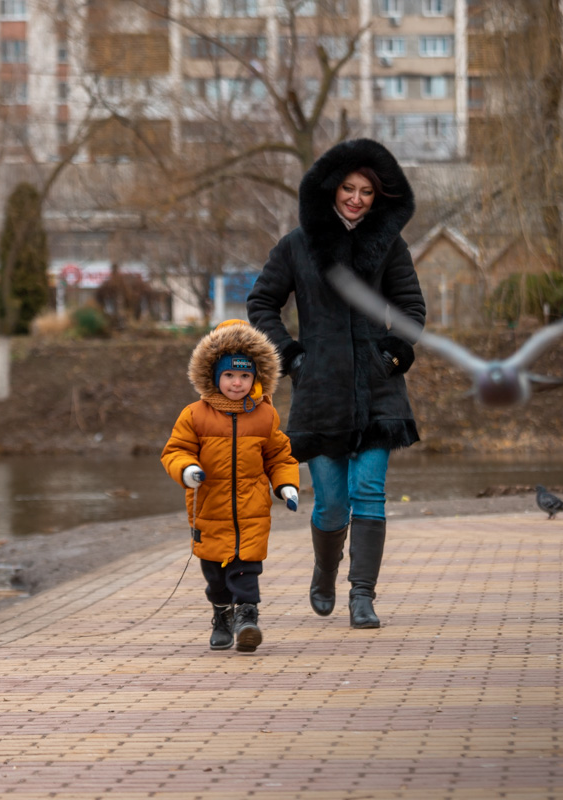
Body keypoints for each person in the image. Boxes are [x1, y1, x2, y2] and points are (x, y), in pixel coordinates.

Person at [247, 138, 426, 629]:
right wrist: (292, 357)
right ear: (331, 189)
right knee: (331, 504)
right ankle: (325, 571)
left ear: (377, 197)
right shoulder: (297, 244)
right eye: (349, 188)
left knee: (369, 491)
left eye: (366, 192)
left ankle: (362, 595)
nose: (356, 199)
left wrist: (391, 354)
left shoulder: (389, 245)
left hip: (378, 388)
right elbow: (262, 303)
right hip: (320, 390)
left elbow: (411, 308)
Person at [161, 319, 301, 653]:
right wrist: (187, 469)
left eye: (244, 376)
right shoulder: (194, 415)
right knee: (215, 575)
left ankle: (247, 617)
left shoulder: (265, 415)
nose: (237, 383)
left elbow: (279, 456)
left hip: (252, 512)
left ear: (256, 378)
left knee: (246, 569)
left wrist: (286, 485)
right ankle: (222, 615)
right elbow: (175, 451)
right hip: (209, 511)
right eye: (228, 375)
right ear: (213, 376)